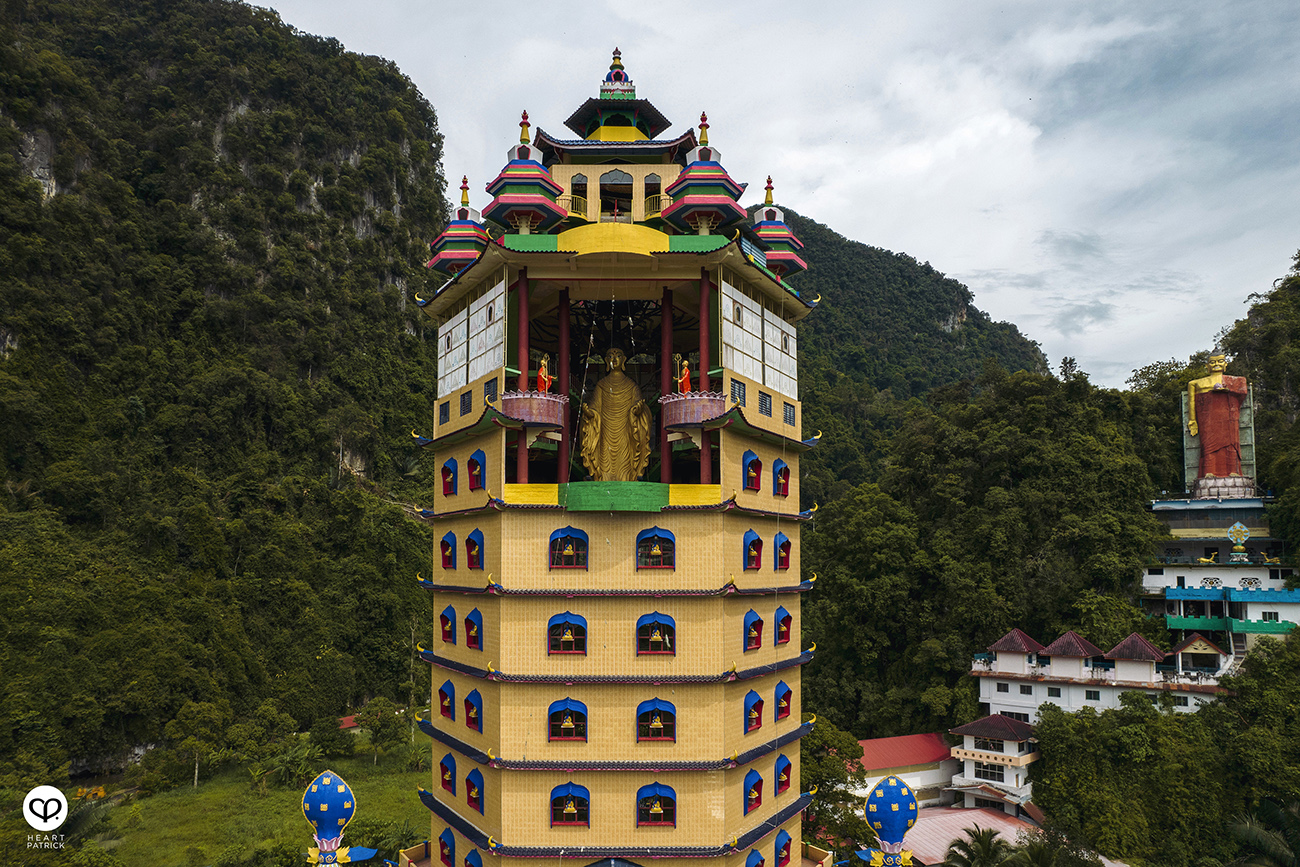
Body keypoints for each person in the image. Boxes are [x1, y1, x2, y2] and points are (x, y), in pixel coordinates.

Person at [579, 348, 651, 481]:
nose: (614, 359)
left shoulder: (631, 386)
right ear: (607, 361)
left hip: (626, 429)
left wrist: (637, 410)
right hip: (605, 430)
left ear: (623, 360)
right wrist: (590, 413)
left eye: (618, 356)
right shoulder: (601, 385)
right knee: (605, 459)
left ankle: (628, 478)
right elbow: (595, 406)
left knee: (625, 460)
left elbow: (638, 402)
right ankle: (601, 478)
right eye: (611, 356)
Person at [1187, 353, 1248, 478]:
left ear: (1225, 364)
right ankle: (1208, 472)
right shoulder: (1195, 383)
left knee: (1231, 443)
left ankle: (1233, 471)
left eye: (1220, 361)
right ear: (1207, 366)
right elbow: (1191, 402)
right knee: (1208, 444)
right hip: (1208, 418)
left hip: (1228, 416)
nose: (1216, 364)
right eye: (1213, 362)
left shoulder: (1233, 381)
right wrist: (1192, 421)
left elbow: (1243, 388)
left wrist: (1228, 389)